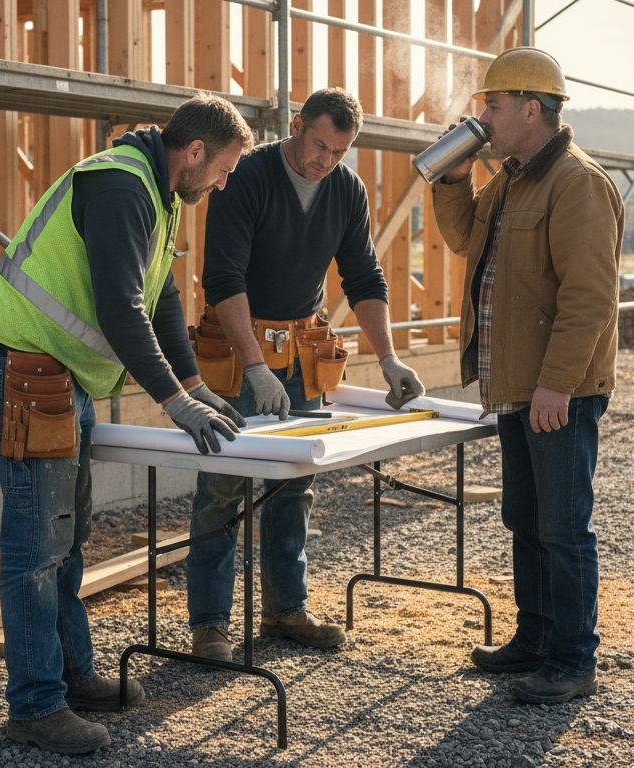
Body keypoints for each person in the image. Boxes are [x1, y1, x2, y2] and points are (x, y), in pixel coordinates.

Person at [0, 93, 253, 755]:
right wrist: (174, 403)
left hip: (52, 374)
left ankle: (70, 677)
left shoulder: (160, 193)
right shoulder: (123, 186)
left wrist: (192, 385)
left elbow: (160, 298)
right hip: (22, 371)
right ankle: (35, 707)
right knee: (37, 549)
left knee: (67, 541)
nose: (223, 182)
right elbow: (120, 308)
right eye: (224, 169)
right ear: (196, 152)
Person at [185, 87, 426, 661]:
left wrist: (388, 357)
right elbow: (223, 279)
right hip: (237, 346)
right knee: (222, 484)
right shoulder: (247, 175)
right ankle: (210, 625)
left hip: (302, 351)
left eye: (338, 152)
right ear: (297, 125)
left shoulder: (346, 189)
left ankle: (284, 610)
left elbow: (365, 279)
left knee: (294, 482)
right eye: (319, 145)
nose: (325, 160)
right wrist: (252, 365)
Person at [430, 47, 623, 704]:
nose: (483, 114)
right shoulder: (513, 179)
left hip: (557, 392)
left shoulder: (576, 182)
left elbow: (590, 297)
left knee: (564, 526)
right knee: (526, 518)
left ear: (531, 109)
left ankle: (573, 661)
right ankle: (535, 639)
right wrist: (452, 178)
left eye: (494, 103)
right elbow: (465, 242)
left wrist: (558, 384)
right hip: (516, 384)